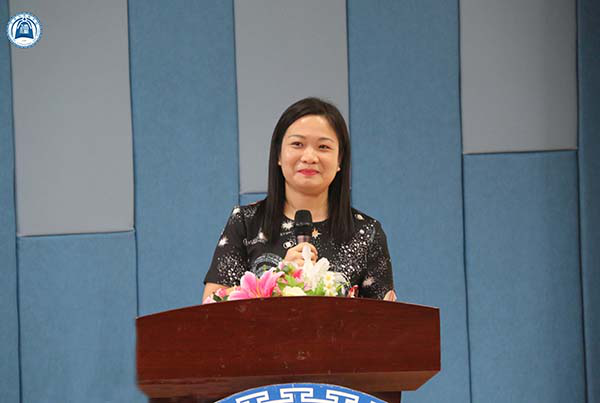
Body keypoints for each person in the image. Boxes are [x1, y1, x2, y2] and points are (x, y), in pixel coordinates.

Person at [203, 97, 396, 301]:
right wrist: (277, 280)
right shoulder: (245, 222)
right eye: (297, 144)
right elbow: (212, 303)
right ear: (278, 154)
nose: (309, 157)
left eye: (323, 147)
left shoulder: (367, 233)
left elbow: (384, 316)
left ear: (340, 159)